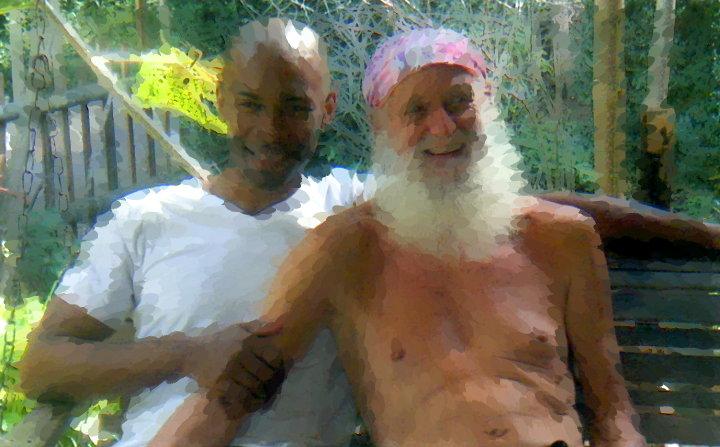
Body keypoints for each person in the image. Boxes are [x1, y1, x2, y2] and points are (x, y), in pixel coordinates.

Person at [152, 28, 653, 446]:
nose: (443, 127)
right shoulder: (345, 248)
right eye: (416, 111)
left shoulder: (564, 240)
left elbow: (612, 412)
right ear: (382, 130)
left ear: (488, 109)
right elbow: (233, 394)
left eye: (459, 102)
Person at [17, 18, 370, 447]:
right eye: (250, 104)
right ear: (221, 100)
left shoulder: (352, 205)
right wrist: (188, 355)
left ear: (328, 108)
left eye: (295, 107)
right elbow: (39, 368)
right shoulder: (145, 219)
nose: (270, 130)